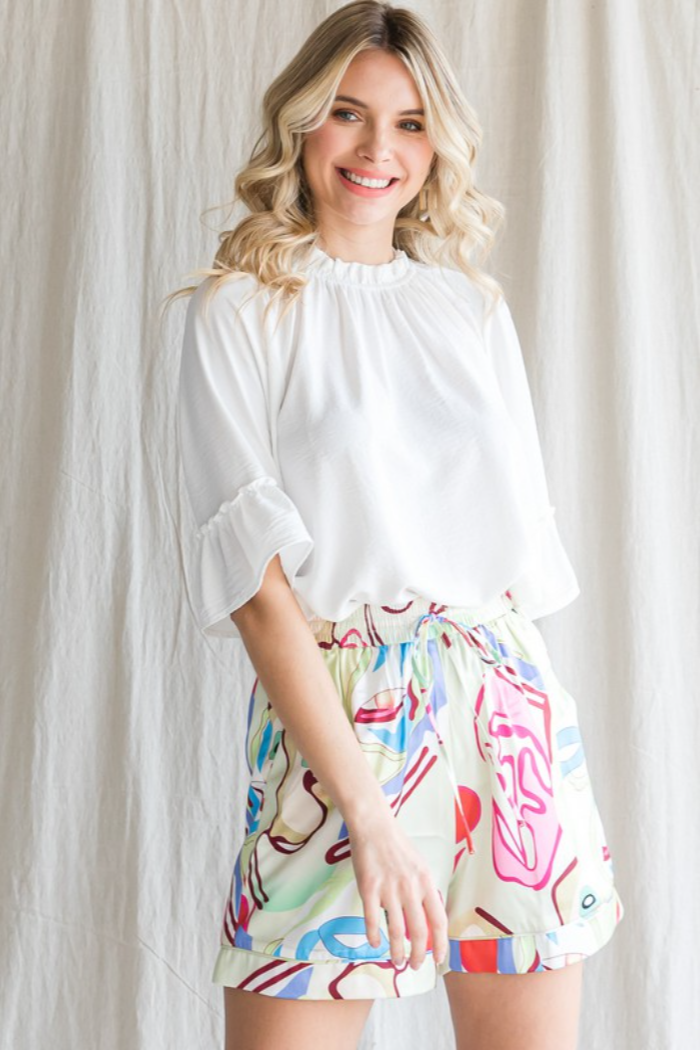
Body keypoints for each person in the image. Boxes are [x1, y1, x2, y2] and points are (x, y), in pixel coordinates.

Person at [165, 2, 625, 1047]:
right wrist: (367, 814)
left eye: (411, 123)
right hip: (336, 722)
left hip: (501, 710)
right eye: (349, 113)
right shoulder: (239, 309)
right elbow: (256, 590)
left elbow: (512, 566)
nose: (378, 148)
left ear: (437, 143)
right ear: (300, 122)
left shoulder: (470, 310)